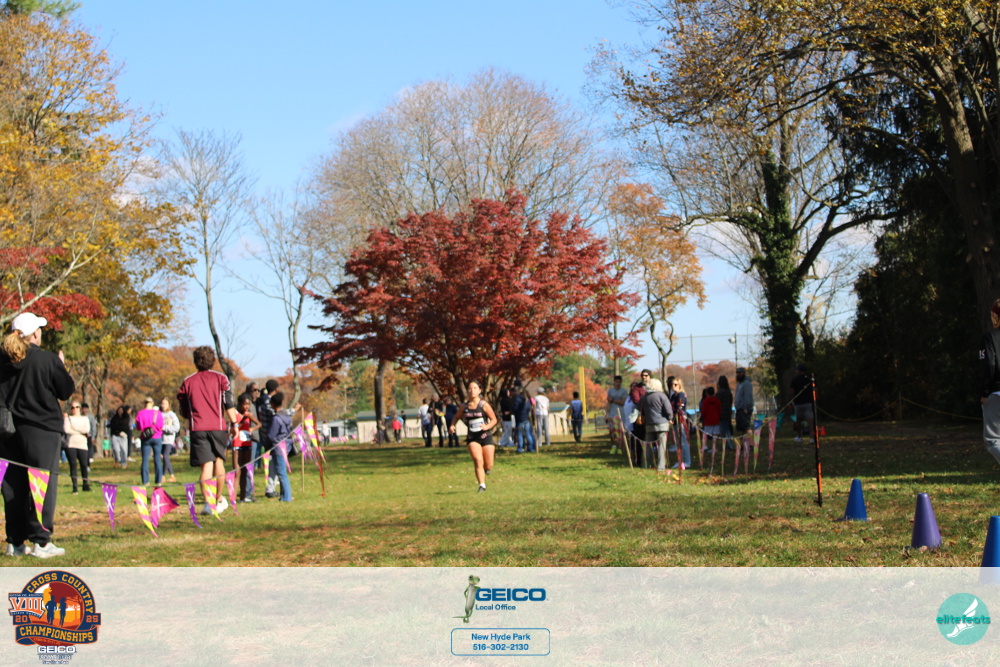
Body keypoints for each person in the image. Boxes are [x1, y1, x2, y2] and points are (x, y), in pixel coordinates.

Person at [0, 312, 74, 558]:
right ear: (34, 334)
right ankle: (41, 542)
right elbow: (65, 390)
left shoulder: (2, 361)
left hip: (7, 431)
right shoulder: (46, 359)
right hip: (42, 430)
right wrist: (61, 366)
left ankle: (15, 542)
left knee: (13, 486)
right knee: (42, 485)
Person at [177, 345, 238, 516]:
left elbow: (183, 409)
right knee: (219, 462)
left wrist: (191, 416)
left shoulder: (188, 381)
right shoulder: (221, 378)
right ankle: (217, 499)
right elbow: (228, 403)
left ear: (195, 361)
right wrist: (235, 424)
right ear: (212, 360)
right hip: (218, 427)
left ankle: (207, 504)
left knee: (206, 467)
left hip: (198, 428)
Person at [449, 381, 499, 492]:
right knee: (478, 460)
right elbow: (456, 417)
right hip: (472, 438)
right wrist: (452, 425)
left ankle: (486, 469)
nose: (472, 391)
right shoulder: (464, 406)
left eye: (475, 388)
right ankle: (482, 485)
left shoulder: (484, 405)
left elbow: (494, 419)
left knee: (489, 465)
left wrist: (487, 426)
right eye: (470, 388)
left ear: (479, 390)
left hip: (486, 436)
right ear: (467, 391)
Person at [266, 391, 299, 502]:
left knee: (281, 473)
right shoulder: (287, 417)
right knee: (281, 471)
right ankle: (283, 496)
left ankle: (287, 497)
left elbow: (271, 435)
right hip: (286, 446)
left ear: (273, 404)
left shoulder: (276, 419)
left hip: (278, 448)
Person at [638, 378, 673, 471]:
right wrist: (670, 418)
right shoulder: (661, 396)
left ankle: (646, 464)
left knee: (648, 446)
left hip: (649, 424)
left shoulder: (644, 397)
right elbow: (668, 409)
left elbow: (640, 409)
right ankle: (660, 466)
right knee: (661, 446)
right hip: (662, 424)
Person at [981, 299, 1000, 465]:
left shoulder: (990, 337)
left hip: (996, 393)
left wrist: (985, 392)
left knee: (993, 441)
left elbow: (989, 364)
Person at [233, 394, 261, 502]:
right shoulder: (235, 414)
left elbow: (259, 424)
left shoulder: (249, 415)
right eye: (245, 404)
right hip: (237, 445)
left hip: (247, 444)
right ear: (240, 404)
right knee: (237, 472)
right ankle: (233, 498)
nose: (247, 407)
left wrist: (252, 429)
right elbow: (233, 428)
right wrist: (243, 419)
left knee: (245, 471)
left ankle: (243, 497)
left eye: (248, 404)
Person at [135, 397, 165, 486]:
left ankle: (145, 481)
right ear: (152, 403)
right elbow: (161, 426)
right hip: (157, 437)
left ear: (145, 403)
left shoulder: (140, 413)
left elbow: (138, 427)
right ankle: (158, 481)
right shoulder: (158, 413)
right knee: (157, 459)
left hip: (145, 438)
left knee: (145, 459)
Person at [63, 401, 91, 493]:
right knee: (73, 465)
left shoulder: (85, 419)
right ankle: (75, 487)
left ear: (80, 408)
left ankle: (85, 485)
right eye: (72, 407)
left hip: (82, 444)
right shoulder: (68, 418)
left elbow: (87, 429)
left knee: (84, 464)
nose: (74, 409)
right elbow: (67, 430)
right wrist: (80, 432)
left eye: (77, 407)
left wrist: (75, 428)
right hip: (71, 444)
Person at [257, 379, 278, 495]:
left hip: (265, 435)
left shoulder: (262, 400)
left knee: (273, 461)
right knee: (273, 461)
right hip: (270, 436)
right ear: (276, 389)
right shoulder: (267, 401)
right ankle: (270, 488)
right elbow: (275, 414)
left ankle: (272, 485)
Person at [669, 377, 691, 468]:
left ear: (679, 385)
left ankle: (687, 461)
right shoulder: (673, 396)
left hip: (680, 420)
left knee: (683, 441)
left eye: (675, 384)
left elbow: (679, 408)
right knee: (677, 442)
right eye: (672, 384)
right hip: (674, 421)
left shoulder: (681, 395)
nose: (673, 386)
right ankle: (680, 460)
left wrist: (673, 417)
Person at [790, 364, 814, 443]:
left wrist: (792, 400)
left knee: (798, 420)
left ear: (798, 371)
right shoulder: (809, 380)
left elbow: (792, 391)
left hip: (798, 403)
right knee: (810, 421)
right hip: (808, 403)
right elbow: (815, 389)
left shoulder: (795, 380)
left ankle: (799, 436)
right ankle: (811, 438)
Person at [159, 398, 181, 483]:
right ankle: (167, 476)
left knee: (165, 456)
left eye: (165, 403)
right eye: (162, 403)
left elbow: (176, 427)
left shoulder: (171, 414)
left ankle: (166, 476)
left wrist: (165, 428)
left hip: (168, 439)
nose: (163, 405)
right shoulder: (159, 414)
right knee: (163, 457)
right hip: (160, 439)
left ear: (169, 405)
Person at [606, 375, 628, 454]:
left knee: (620, 431)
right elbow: (608, 402)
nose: (618, 383)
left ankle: (620, 448)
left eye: (619, 382)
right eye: (616, 382)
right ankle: (613, 446)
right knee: (612, 430)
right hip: (612, 413)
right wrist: (607, 413)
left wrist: (613, 400)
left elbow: (623, 402)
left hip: (620, 413)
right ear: (614, 382)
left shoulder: (624, 391)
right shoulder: (610, 391)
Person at [512, 383, 536, 453]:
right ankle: (531, 447)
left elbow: (515, 408)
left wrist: (513, 410)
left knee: (520, 434)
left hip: (520, 418)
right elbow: (530, 407)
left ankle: (520, 448)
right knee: (528, 434)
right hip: (526, 418)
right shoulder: (527, 399)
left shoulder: (518, 399)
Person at [734, 367, 755, 436]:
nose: (738, 374)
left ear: (743, 373)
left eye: (740, 373)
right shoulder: (739, 384)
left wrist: (746, 407)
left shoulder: (747, 383)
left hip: (745, 409)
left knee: (746, 427)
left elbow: (748, 396)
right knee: (740, 428)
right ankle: (744, 441)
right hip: (739, 409)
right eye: (737, 373)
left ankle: (750, 441)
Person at [717, 375, 734, 450]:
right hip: (728, 413)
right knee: (727, 429)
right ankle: (728, 445)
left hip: (721, 414)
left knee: (724, 431)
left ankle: (729, 445)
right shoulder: (729, 392)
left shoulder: (720, 393)